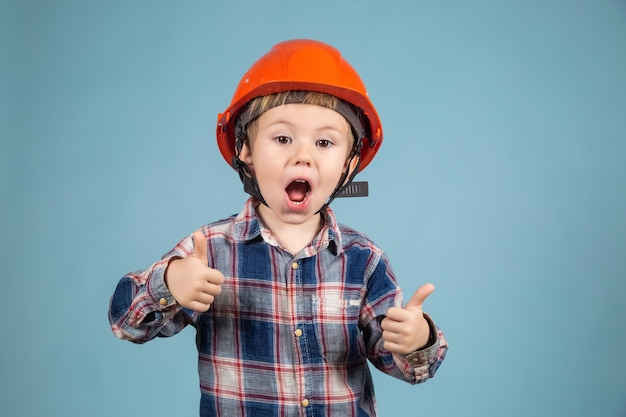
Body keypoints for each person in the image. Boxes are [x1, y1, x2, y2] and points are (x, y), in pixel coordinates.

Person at [109, 38, 448, 416]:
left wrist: (418, 340)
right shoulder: (211, 250)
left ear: (348, 166)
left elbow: (406, 365)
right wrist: (169, 284)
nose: (302, 155)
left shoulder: (363, 259)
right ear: (246, 151)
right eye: (282, 138)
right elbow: (127, 324)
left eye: (324, 142)